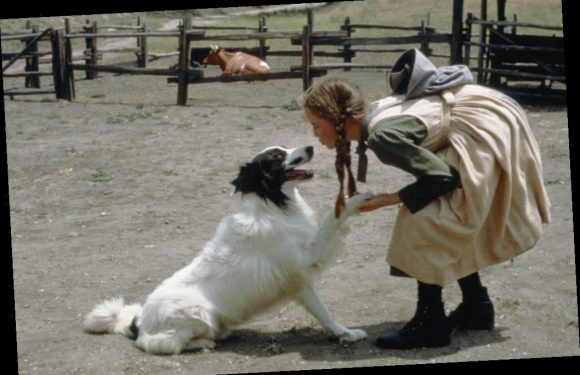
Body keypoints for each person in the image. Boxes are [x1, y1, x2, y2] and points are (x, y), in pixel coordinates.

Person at [301, 48, 551, 349]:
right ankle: (476, 306)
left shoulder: (381, 136)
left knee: (425, 218)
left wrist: (389, 199)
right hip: (472, 126)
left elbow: (443, 177)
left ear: (338, 120)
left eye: (316, 126)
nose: (315, 135)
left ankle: (430, 323)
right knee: (445, 213)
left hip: (480, 132)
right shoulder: (375, 117)